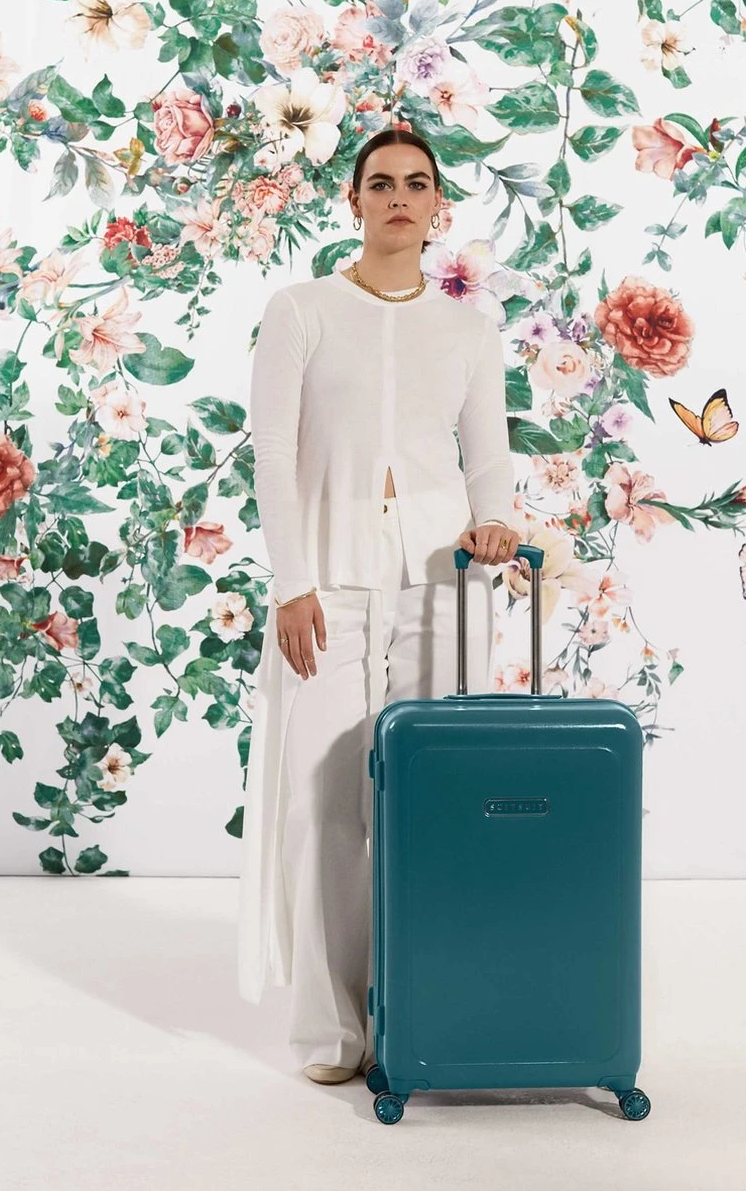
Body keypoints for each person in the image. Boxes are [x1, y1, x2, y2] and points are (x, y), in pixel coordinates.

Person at [236, 126, 522, 1086]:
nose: (400, 196)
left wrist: (495, 522)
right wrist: (291, 584)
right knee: (323, 807)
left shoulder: (469, 329)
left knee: (428, 805)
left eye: (418, 183)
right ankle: (331, 1032)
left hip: (441, 590)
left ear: (438, 205)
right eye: (383, 182)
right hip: (328, 588)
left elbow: (488, 457)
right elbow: (274, 454)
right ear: (354, 199)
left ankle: (420, 1009)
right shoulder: (301, 311)